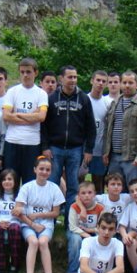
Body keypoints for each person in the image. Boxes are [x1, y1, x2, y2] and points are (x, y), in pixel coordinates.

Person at [41, 65, 96, 222]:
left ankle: (70, 222)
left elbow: (91, 126)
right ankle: (50, 221)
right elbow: (43, 126)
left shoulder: (84, 99)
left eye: (75, 77)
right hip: (55, 148)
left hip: (76, 149)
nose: (73, 80)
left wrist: (89, 149)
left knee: (73, 186)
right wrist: (45, 147)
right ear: (61, 79)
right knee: (52, 184)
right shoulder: (52, 98)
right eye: (70, 77)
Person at [13, 157, 65, 273]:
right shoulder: (27, 187)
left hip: (46, 224)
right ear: (35, 169)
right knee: (33, 242)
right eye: (41, 169)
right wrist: (32, 224)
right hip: (28, 224)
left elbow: (56, 213)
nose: (44, 172)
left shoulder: (54, 188)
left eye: (47, 170)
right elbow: (18, 211)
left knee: (42, 242)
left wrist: (38, 215)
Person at [102, 70, 137, 189]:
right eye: (124, 82)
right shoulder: (114, 103)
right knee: (116, 190)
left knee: (134, 190)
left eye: (130, 83)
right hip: (114, 156)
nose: (127, 85)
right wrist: (106, 152)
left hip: (132, 157)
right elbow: (108, 130)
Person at [3, 58, 49, 183]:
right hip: (12, 141)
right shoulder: (12, 91)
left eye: (28, 72)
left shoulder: (41, 93)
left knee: (30, 181)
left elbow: (41, 117)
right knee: (11, 180)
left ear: (35, 73)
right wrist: (31, 116)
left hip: (32, 143)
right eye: (22, 72)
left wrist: (17, 114)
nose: (25, 75)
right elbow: (6, 116)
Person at [65, 181, 106, 273]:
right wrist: (86, 235)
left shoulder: (100, 208)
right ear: (78, 196)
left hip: (93, 232)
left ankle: (97, 271)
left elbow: (101, 227)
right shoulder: (74, 207)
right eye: (83, 193)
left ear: (94, 194)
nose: (87, 195)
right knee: (76, 240)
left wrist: (90, 230)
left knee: (101, 239)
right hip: (76, 232)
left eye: (89, 192)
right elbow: (73, 227)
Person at [0, 169, 23, 273]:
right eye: (4, 179)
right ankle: (0, 266)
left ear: (15, 181)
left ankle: (14, 264)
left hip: (14, 221)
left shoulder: (20, 196)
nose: (6, 181)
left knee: (15, 229)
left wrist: (13, 219)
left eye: (9, 179)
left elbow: (22, 212)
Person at [88, 70, 110, 193]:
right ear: (92, 81)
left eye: (103, 81)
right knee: (80, 180)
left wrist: (106, 151)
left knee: (98, 183)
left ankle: (99, 204)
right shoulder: (84, 99)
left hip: (99, 150)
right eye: (98, 80)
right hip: (83, 149)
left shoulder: (108, 103)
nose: (100, 83)